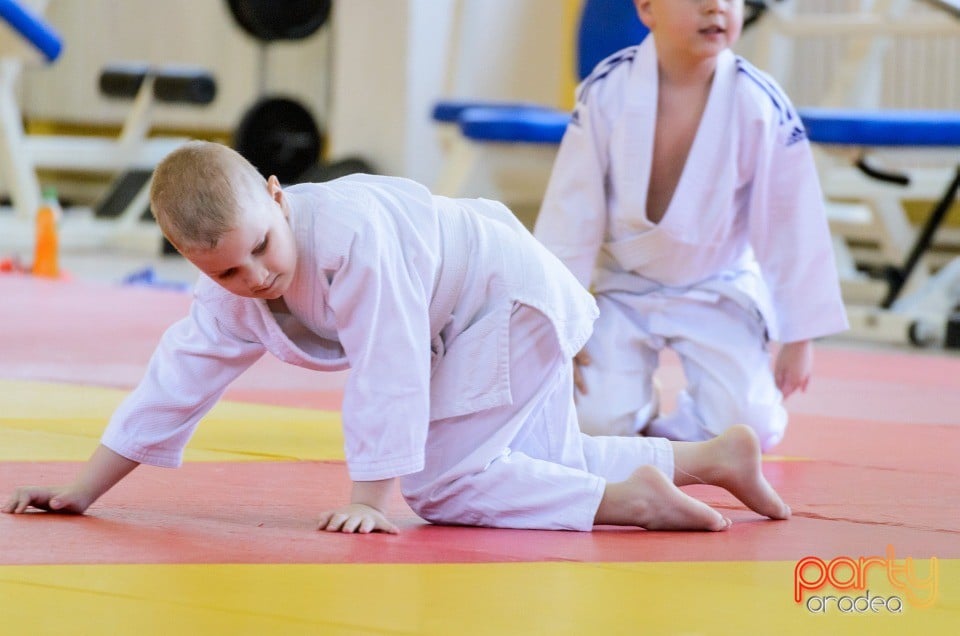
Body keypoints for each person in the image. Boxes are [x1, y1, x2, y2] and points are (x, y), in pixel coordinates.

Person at [2, 141, 790, 533]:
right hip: (479, 312)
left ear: (279, 197)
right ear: (194, 264)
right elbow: (174, 382)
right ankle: (711, 458)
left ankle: (628, 501)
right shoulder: (230, 295)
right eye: (228, 273)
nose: (255, 279)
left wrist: (370, 498)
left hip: (501, 300)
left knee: (439, 486)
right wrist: (83, 489)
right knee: (531, 466)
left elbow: (390, 361)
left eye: (262, 251)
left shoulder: (348, 236)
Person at [534, 0, 848, 450]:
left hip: (717, 285)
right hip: (623, 286)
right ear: (646, 9)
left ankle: (672, 434)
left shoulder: (758, 101)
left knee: (750, 429)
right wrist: (560, 318)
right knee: (590, 422)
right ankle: (634, 406)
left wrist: (799, 334)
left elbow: (790, 219)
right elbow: (572, 208)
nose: (715, 7)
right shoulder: (606, 89)